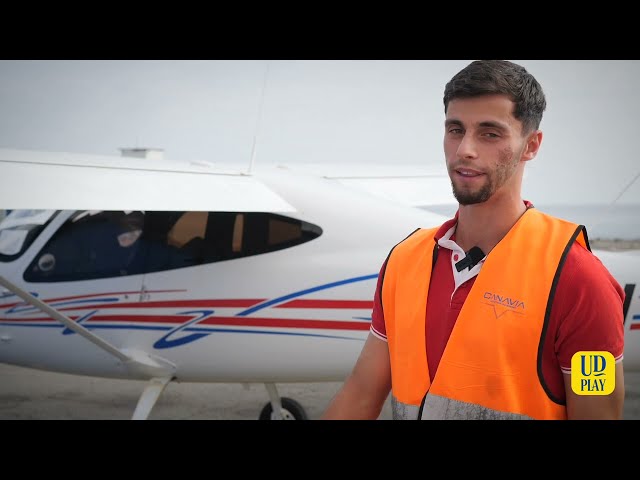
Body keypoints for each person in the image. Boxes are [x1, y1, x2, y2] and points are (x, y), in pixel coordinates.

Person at [321, 60, 626, 420]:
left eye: (489, 133)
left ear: (531, 145)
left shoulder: (581, 281)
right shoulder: (404, 261)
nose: (465, 148)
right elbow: (360, 394)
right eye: (455, 129)